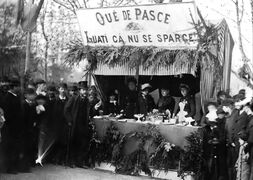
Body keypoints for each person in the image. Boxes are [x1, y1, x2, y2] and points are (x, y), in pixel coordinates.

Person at [64, 81, 90, 168]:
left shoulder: (86, 100)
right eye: (83, 90)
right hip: (74, 124)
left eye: (86, 90)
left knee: (82, 143)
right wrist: (70, 121)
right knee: (73, 143)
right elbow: (66, 110)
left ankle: (79, 162)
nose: (85, 91)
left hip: (83, 125)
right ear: (79, 90)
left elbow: (88, 112)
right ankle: (70, 161)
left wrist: (94, 108)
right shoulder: (74, 98)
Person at [1, 79, 23, 173]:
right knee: (10, 148)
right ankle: (10, 168)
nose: (20, 88)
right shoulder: (7, 98)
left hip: (16, 127)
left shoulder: (15, 97)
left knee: (15, 147)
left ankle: (14, 166)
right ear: (14, 87)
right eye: (18, 86)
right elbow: (7, 115)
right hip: (10, 128)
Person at [22, 88, 38, 168]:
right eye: (30, 94)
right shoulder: (23, 104)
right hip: (25, 128)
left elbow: (35, 115)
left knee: (32, 145)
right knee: (25, 146)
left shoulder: (34, 104)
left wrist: (35, 120)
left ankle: (31, 161)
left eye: (33, 94)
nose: (32, 96)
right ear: (26, 96)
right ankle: (25, 163)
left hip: (32, 127)